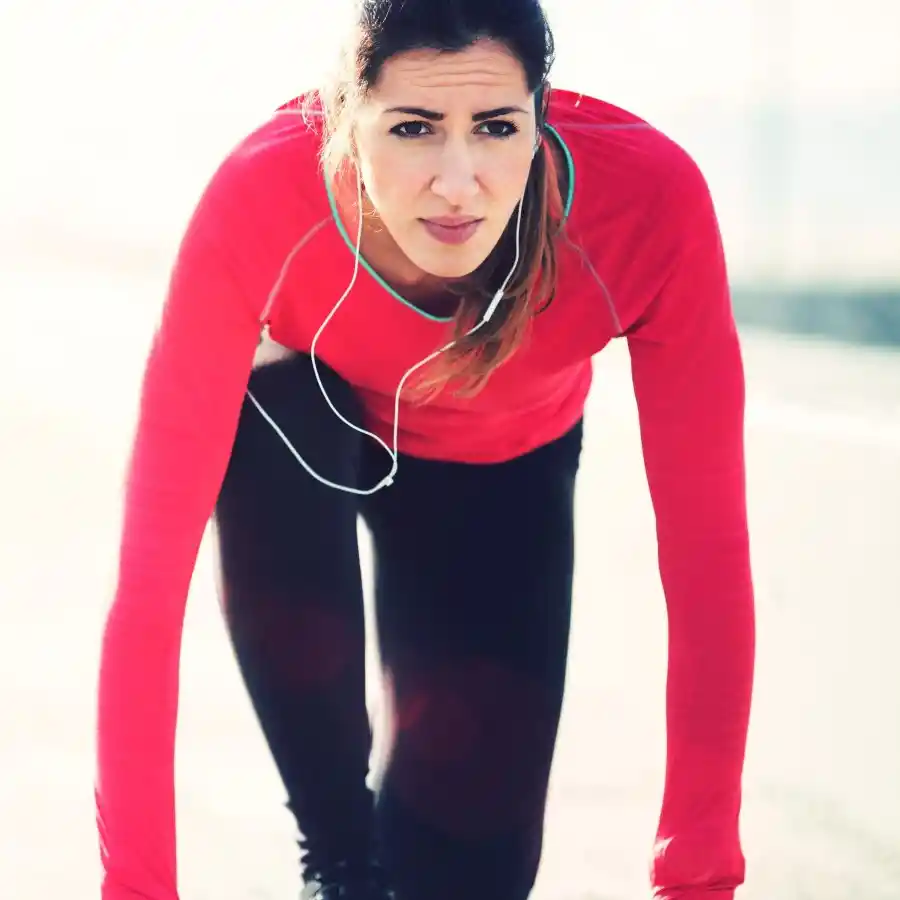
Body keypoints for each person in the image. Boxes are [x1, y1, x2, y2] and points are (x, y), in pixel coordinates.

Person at [94, 0, 756, 898]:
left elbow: (707, 555)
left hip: (500, 477)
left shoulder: (650, 205)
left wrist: (700, 880)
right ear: (346, 120)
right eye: (412, 128)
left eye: (495, 128)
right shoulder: (259, 198)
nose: (457, 182)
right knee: (264, 399)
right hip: (310, 439)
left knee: (465, 880)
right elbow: (149, 577)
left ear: (539, 119)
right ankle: (338, 857)